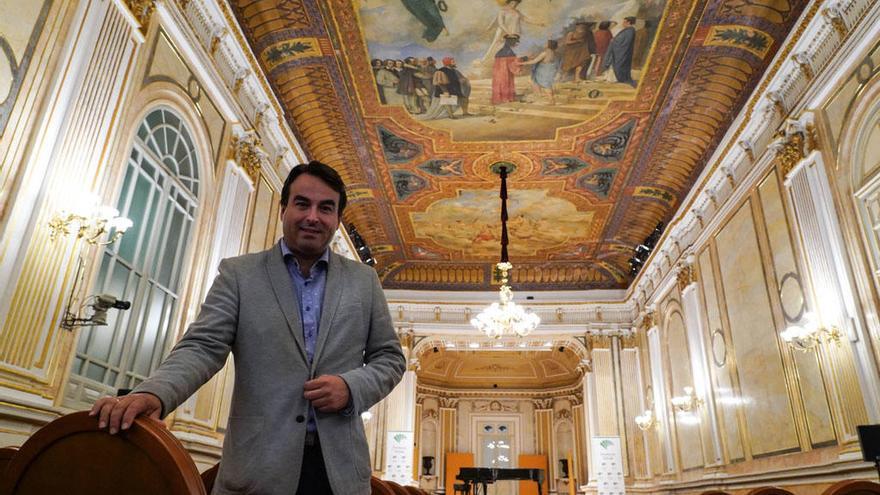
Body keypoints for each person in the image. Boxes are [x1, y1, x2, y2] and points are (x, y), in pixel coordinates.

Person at [90, 161, 407, 495]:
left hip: (340, 474)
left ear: (337, 219)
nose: (313, 216)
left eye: (326, 208)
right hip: (258, 468)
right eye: (302, 203)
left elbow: (390, 358)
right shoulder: (239, 275)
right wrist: (154, 392)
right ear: (283, 208)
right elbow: (202, 347)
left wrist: (351, 387)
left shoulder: (363, 281)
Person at [519, 39, 560, 104]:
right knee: (545, 84)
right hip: (549, 71)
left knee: (545, 85)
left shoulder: (545, 53)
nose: (545, 44)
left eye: (546, 43)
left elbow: (534, 61)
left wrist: (522, 63)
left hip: (543, 72)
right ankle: (547, 98)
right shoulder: (554, 53)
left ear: (548, 45)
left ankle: (551, 100)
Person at [601, 16, 638, 87]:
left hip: (622, 51)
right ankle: (609, 78)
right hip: (618, 50)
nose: (623, 23)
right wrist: (614, 41)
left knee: (618, 64)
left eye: (624, 22)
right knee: (613, 63)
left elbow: (625, 42)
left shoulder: (630, 30)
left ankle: (614, 78)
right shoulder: (627, 30)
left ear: (628, 22)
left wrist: (614, 41)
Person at [492, 34, 521, 105]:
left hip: (498, 72)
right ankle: (506, 98)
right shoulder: (509, 52)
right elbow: (513, 65)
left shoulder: (501, 51)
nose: (516, 44)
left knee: (500, 83)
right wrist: (523, 59)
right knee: (505, 82)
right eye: (515, 42)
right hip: (505, 72)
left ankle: (499, 99)